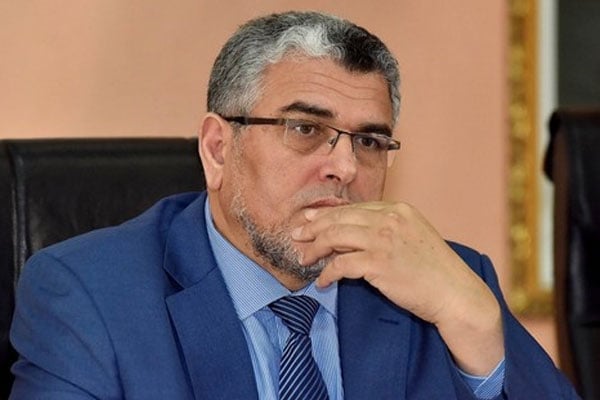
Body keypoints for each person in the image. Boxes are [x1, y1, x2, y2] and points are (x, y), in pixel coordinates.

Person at [9, 10, 579, 400]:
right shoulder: (90, 298)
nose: (346, 167)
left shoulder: (446, 285)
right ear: (218, 149)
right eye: (306, 129)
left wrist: (474, 319)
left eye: (369, 141)